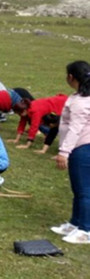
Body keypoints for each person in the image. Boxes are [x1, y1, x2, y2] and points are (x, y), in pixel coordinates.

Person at [50, 61, 90, 243]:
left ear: (71, 77)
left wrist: (64, 152)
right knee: (78, 189)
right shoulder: (79, 97)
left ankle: (86, 230)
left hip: (82, 148)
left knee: (84, 190)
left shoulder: (81, 103)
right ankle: (75, 223)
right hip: (80, 148)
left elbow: (75, 128)